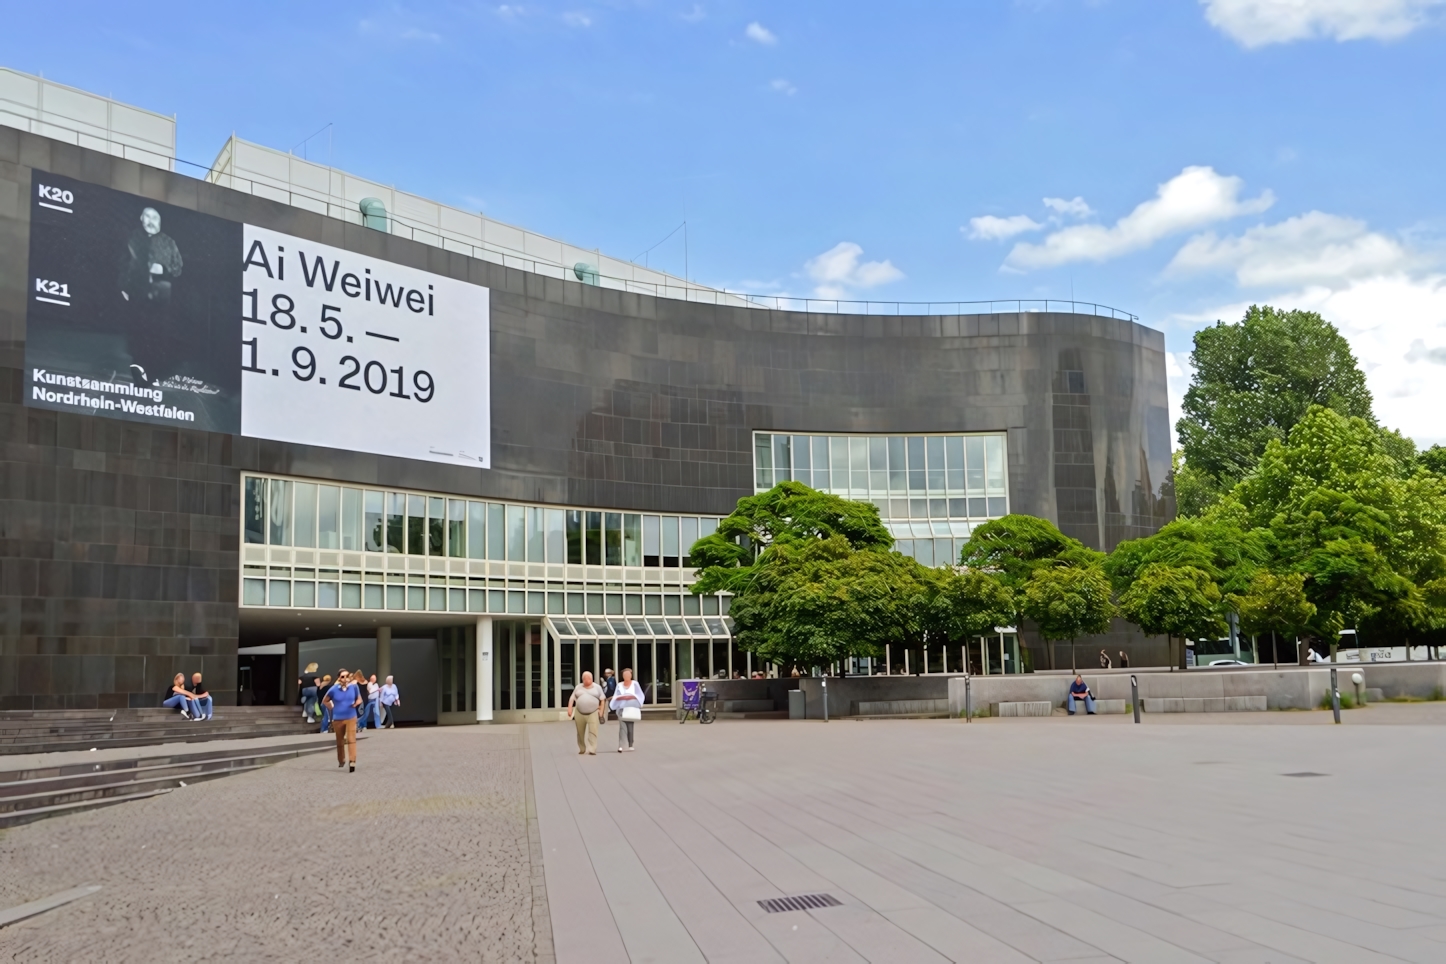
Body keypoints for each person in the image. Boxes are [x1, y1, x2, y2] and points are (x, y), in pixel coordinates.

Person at [324, 670, 362, 772]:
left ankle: (352, 761)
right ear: (339, 678)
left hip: (351, 716)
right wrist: (331, 707)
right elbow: (325, 700)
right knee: (340, 740)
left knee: (351, 739)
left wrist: (356, 704)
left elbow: (359, 699)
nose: (345, 679)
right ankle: (341, 759)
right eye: (342, 677)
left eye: (347, 676)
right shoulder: (333, 689)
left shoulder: (354, 687)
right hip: (338, 718)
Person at [567, 671, 606, 755]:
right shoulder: (578, 687)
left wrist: (601, 712)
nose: (587, 680)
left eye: (589, 678)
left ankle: (592, 749)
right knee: (580, 732)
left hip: (593, 712)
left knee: (593, 731)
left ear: (592, 679)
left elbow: (602, 700)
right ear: (582, 679)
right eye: (585, 678)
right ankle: (582, 748)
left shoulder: (597, 687)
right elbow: (572, 698)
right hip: (579, 712)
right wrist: (569, 708)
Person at [611, 667, 644, 752]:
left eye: (628, 674)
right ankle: (621, 745)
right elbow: (616, 695)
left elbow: (640, 695)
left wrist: (632, 698)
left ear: (631, 675)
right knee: (622, 727)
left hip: (631, 708)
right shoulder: (619, 685)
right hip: (622, 709)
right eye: (625, 675)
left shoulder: (635, 684)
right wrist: (618, 700)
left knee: (630, 727)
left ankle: (630, 744)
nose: (626, 676)